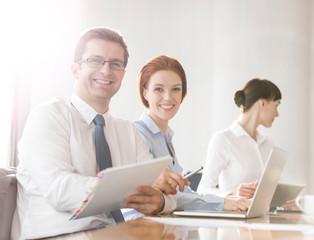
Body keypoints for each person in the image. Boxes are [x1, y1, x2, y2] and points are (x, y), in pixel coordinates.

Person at [14, 28, 186, 240]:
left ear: (122, 75)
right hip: (56, 235)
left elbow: (166, 194)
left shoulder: (128, 131)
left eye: (115, 64)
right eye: (95, 61)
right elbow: (60, 190)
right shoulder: (48, 117)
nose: (106, 71)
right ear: (75, 69)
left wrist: (159, 201)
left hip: (113, 233)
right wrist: (130, 188)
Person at [134, 55, 251, 212]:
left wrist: (230, 200)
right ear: (145, 92)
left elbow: (181, 193)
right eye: (158, 89)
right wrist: (223, 204)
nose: (168, 97)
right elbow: (168, 196)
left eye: (176, 89)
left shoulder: (166, 136)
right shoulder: (136, 134)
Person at [197, 78, 281, 198]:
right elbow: (203, 190)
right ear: (262, 103)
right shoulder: (223, 139)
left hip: (264, 215)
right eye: (276, 105)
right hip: (235, 214)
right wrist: (233, 195)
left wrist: (288, 201)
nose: (277, 114)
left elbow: (274, 188)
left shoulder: (268, 143)